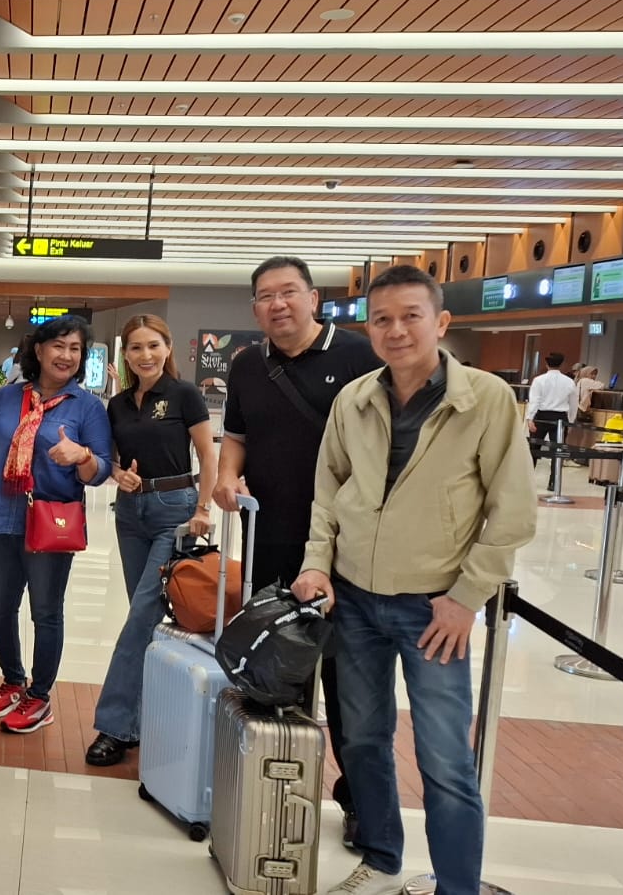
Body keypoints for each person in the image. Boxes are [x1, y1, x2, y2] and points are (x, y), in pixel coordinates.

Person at [291, 265, 535, 895]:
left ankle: (458, 885)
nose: (396, 330)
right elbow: (328, 490)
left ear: (441, 322)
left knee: (445, 758)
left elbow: (512, 513)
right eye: (382, 320)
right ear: (368, 329)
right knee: (362, 738)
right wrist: (317, 561)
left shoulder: (485, 400)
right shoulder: (355, 399)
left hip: (434, 609)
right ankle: (380, 856)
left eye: (410, 316)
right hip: (354, 600)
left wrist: (466, 598)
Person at [212, 255, 381, 842]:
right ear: (254, 308)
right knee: (275, 664)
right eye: (265, 296)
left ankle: (358, 799)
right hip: (270, 536)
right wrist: (226, 477)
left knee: (346, 676)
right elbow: (236, 436)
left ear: (314, 299)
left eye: (288, 292)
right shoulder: (247, 364)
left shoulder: (359, 356)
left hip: (346, 545)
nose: (277, 304)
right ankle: (276, 787)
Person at [0, 315, 112, 734]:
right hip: (2, 517)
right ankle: (13, 681)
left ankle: (40, 696)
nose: (67, 355)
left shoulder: (87, 407)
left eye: (75, 348)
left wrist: (82, 456)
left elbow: (101, 470)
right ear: (40, 350)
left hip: (51, 524)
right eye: (59, 346)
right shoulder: (6, 398)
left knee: (46, 611)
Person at [85, 314, 216, 766]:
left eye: (153, 346)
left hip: (174, 511)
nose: (145, 355)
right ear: (125, 354)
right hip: (130, 513)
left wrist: (203, 509)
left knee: (142, 616)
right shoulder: (118, 404)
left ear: (168, 347)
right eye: (136, 347)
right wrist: (118, 474)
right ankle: (150, 717)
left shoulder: (184, 394)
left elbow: (207, 454)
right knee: (146, 619)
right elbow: (112, 461)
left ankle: (115, 726)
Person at [525, 351, 577, 489]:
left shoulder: (539, 380)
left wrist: (530, 418)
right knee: (557, 451)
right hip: (560, 418)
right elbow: (573, 404)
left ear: (546, 364)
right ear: (562, 364)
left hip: (541, 416)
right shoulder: (569, 381)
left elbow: (534, 400)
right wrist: (570, 421)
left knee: (533, 449)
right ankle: (554, 482)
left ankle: (527, 481)